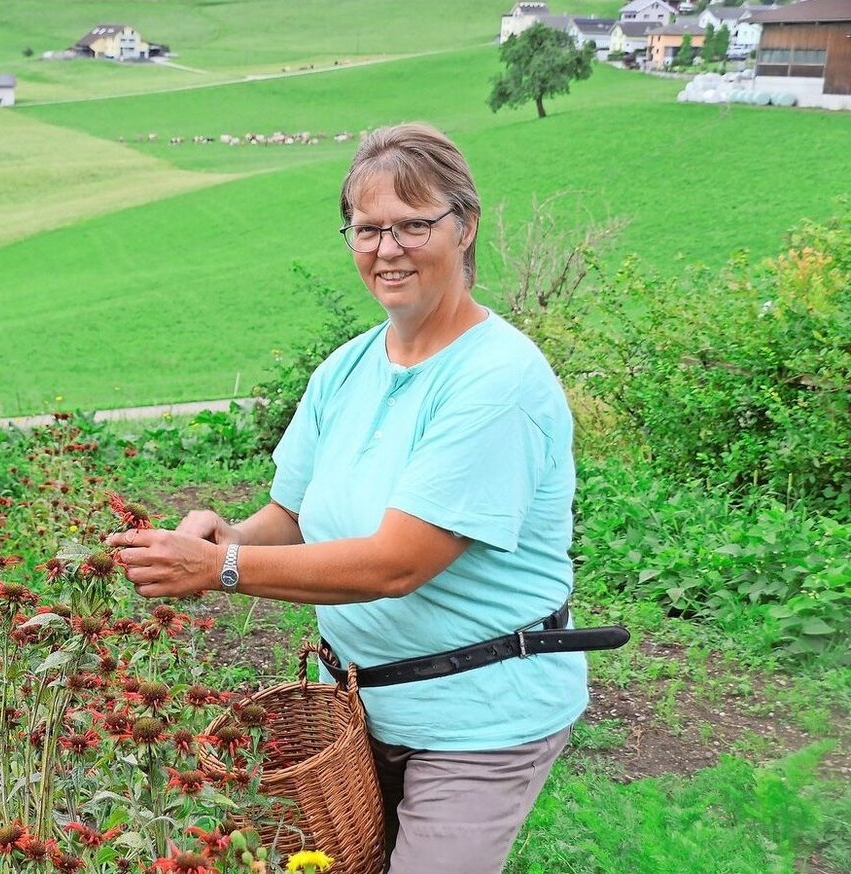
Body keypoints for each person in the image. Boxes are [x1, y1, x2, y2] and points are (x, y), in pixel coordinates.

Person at [106, 122, 593, 874]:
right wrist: (224, 535)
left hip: (479, 719)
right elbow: (290, 518)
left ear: (464, 228)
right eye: (368, 230)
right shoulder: (347, 369)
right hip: (355, 711)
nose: (388, 249)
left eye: (413, 225)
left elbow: (399, 564)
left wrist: (219, 569)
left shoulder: (497, 382)